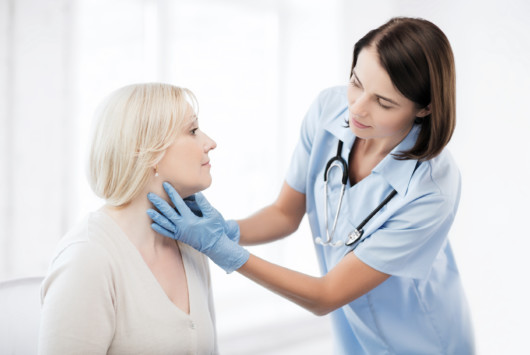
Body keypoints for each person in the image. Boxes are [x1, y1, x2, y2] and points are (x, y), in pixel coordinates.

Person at [148, 17, 475, 354]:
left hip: (421, 338)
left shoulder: (432, 189)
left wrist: (222, 250)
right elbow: (284, 214)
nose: (358, 108)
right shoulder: (328, 111)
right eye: (356, 83)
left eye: (384, 102)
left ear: (425, 108)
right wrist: (229, 229)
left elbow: (325, 296)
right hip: (353, 329)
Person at [39, 83, 219, 354]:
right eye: (192, 131)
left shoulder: (191, 245)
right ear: (150, 153)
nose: (210, 143)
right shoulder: (88, 260)